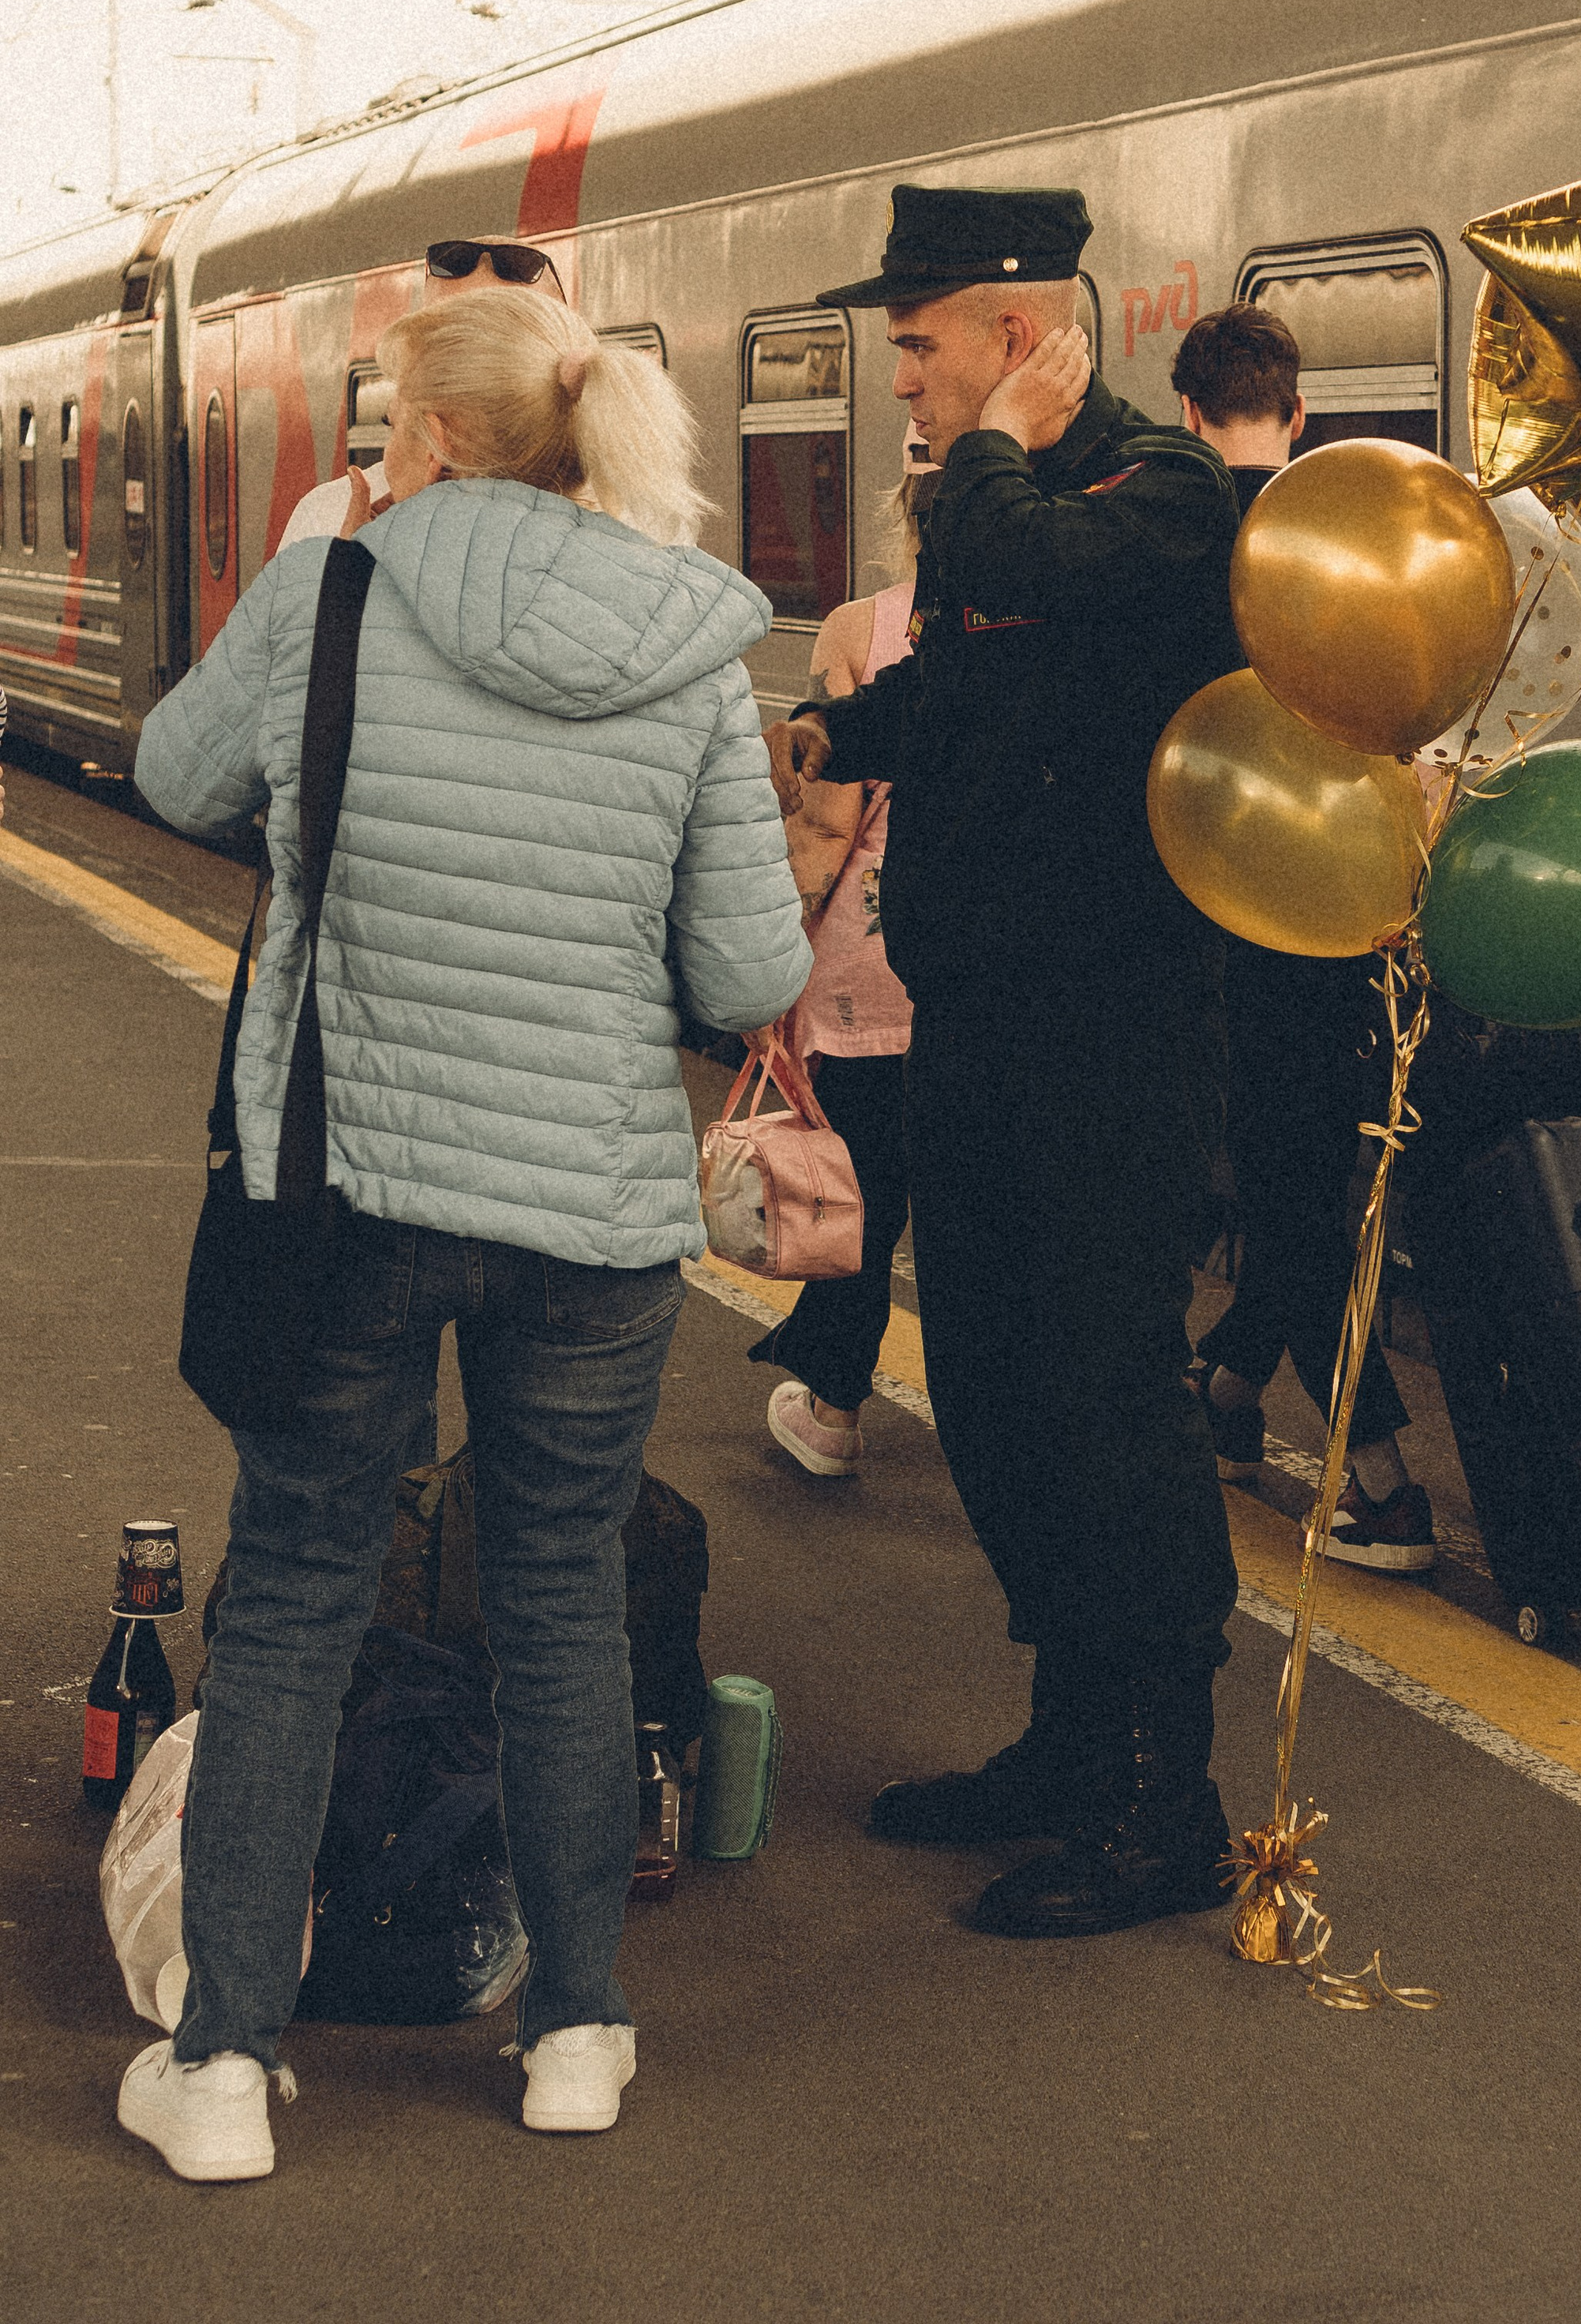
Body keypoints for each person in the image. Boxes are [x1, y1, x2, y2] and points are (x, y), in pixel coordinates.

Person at [124, 241, 809, 2182]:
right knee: (559, 1605)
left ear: (420, 432)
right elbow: (747, 962)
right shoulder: (689, 632)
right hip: (587, 1214)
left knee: (295, 1609)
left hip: (344, 1188)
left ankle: (227, 2071)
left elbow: (179, 774)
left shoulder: (335, 583)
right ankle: (577, 2032)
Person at [765, 184, 1244, 1941]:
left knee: (1103, 1395)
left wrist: (986, 458)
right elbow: (972, 685)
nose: (900, 379)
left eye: (916, 344)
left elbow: (1008, 575)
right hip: (976, 1015)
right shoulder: (1012, 502)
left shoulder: (1154, 491)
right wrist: (839, 727)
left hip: (1111, 1031)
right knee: (983, 1380)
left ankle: (1156, 1796)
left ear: (1021, 333)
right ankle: (1065, 1733)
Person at [1171, 301, 1436, 1572]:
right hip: (1346, 926)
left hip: (1216, 923)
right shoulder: (1342, 546)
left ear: (1184, 412)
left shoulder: (1177, 547)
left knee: (1283, 1201)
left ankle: (1383, 1486)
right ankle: (1224, 1395)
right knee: (1298, 1187)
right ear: (1300, 413)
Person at [746, 441, 936, 1475]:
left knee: (859, 1185)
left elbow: (826, 826)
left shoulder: (862, 630)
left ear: (903, 514)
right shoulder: (1034, 631)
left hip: (868, 959)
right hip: (978, 964)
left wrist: (777, 957)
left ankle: (831, 1411)